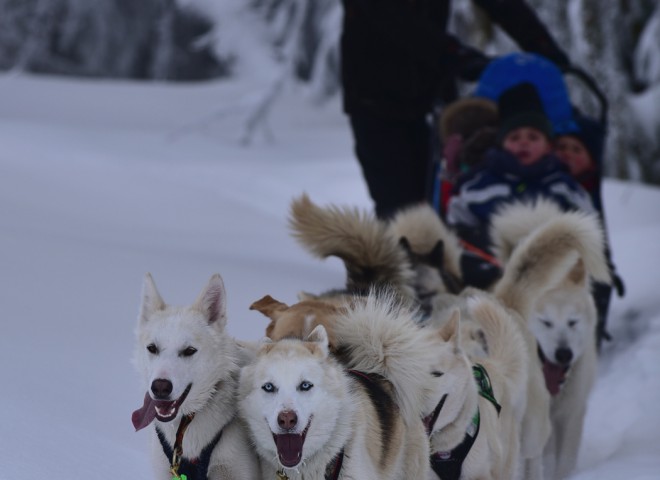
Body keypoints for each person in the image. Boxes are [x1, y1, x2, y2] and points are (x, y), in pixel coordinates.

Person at [340, 0, 571, 219]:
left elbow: (504, 5)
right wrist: (452, 56)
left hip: (431, 97)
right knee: (398, 203)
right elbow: (389, 16)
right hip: (374, 98)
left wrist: (543, 48)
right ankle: (397, 254)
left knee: (445, 194)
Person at [446, 82, 595, 288]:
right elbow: (456, 223)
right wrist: (472, 236)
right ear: (502, 144)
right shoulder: (479, 185)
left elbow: (588, 226)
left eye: (533, 137)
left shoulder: (564, 187)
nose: (523, 143)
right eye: (514, 137)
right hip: (489, 276)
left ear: (548, 146)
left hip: (551, 281)